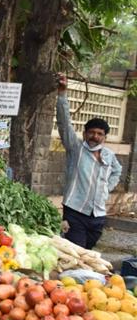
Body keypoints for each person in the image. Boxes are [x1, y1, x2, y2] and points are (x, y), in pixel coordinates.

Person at [56, 73, 122, 249]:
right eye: (92, 132)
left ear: (104, 137)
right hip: (75, 212)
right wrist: (62, 94)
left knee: (87, 253)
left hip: (99, 215)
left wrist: (107, 188)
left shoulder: (108, 155)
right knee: (75, 251)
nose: (95, 136)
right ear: (85, 134)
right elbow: (64, 123)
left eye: (100, 134)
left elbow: (117, 171)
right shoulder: (76, 148)